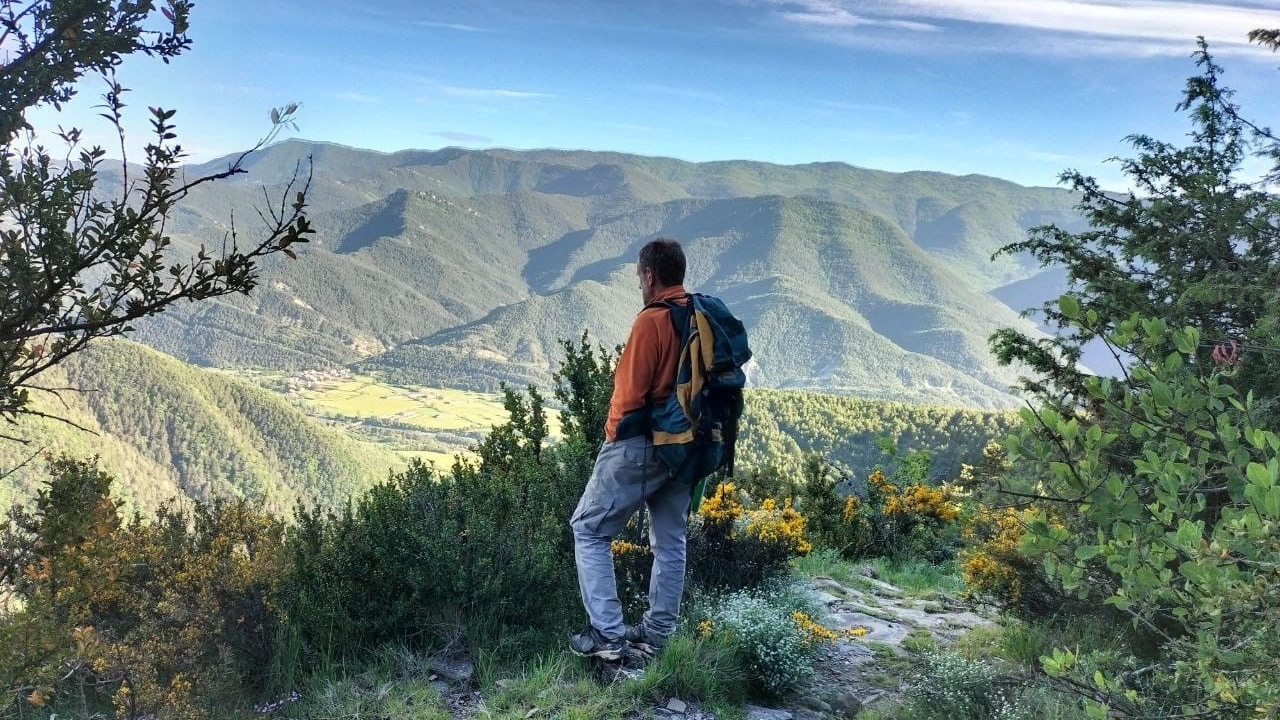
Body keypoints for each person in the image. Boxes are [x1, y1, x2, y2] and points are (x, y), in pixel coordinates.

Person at [568, 237, 691, 662]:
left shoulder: (651, 321)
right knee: (670, 541)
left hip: (640, 446)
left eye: (639, 277)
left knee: (588, 529)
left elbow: (629, 395)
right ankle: (657, 635)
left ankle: (608, 636)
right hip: (687, 448)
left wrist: (612, 440)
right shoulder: (699, 315)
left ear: (649, 276)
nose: (639, 284)